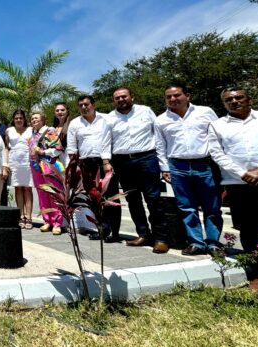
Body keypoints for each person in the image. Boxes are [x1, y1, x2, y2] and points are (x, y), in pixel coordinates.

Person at [208, 86, 258, 292]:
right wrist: (244, 175)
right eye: (229, 100)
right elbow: (217, 154)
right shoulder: (217, 126)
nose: (234, 101)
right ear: (224, 104)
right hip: (238, 184)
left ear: (249, 99)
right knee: (248, 230)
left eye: (239, 97)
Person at [155, 84, 222, 255]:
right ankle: (196, 242)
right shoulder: (161, 120)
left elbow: (219, 136)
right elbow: (160, 146)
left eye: (176, 95)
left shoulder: (205, 112)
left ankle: (214, 243)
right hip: (177, 167)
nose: (172, 99)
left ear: (188, 96)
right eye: (168, 96)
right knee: (186, 207)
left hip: (205, 165)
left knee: (212, 207)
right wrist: (165, 168)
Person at [107, 88, 169, 253]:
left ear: (131, 97)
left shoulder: (145, 111)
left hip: (147, 159)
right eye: (117, 98)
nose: (121, 99)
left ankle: (161, 238)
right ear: (114, 101)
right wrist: (107, 161)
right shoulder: (110, 118)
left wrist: (163, 163)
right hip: (122, 162)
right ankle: (143, 234)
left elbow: (158, 135)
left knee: (154, 199)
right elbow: (106, 141)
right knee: (133, 200)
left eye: (124, 96)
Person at [67, 95, 121, 242]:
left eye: (86, 104)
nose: (84, 107)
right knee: (94, 199)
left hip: (105, 162)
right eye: (81, 105)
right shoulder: (74, 123)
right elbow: (72, 148)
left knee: (111, 197)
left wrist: (107, 161)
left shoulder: (106, 119)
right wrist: (73, 168)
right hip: (86, 164)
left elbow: (113, 139)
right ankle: (102, 229)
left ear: (93, 105)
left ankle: (114, 232)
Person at [29, 111, 64, 235]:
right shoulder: (33, 134)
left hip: (49, 165)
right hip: (36, 167)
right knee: (42, 194)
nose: (34, 120)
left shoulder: (50, 131)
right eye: (32, 118)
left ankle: (57, 222)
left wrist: (42, 152)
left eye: (36, 118)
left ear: (43, 120)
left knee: (53, 193)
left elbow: (58, 150)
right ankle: (47, 220)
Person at [6, 109, 34, 229]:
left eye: (21, 118)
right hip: (15, 163)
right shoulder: (9, 130)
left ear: (24, 119)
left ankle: (29, 217)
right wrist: (6, 163)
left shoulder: (31, 130)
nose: (18, 120)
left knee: (27, 189)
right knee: (18, 189)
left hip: (28, 163)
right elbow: (7, 147)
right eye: (16, 118)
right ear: (13, 119)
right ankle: (20, 216)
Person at [52, 102, 71, 167]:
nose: (60, 112)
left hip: (69, 159)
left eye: (62, 110)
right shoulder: (54, 128)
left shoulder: (72, 125)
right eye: (57, 110)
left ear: (67, 111)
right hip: (57, 161)